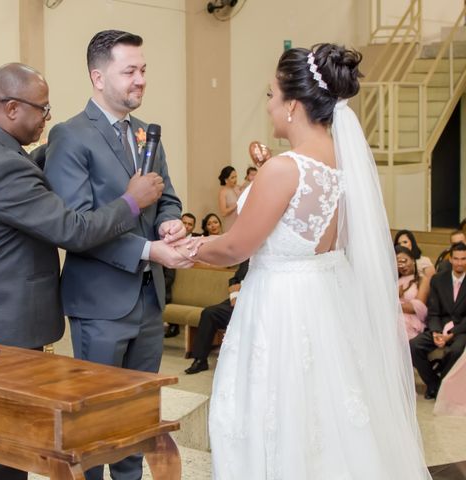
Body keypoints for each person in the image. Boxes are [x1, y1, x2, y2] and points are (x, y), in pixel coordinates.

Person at [183, 44, 431, 478]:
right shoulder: (343, 164)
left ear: (293, 105)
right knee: (328, 418)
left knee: (271, 416)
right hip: (327, 301)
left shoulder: (285, 169)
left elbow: (234, 247)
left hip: (281, 308)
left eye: (270, 96)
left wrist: (186, 247)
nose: (268, 105)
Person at [0, 63, 164, 480]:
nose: (48, 118)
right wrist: (131, 201)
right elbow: (73, 230)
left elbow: (23, 165)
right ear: (11, 108)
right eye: (42, 111)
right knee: (5, 445)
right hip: (3, 321)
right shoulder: (2, 169)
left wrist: (62, 143)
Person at [44, 30, 189, 480]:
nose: (140, 80)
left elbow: (167, 196)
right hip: (101, 303)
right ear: (98, 76)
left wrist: (170, 219)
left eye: (143, 70)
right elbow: (78, 226)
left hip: (148, 301)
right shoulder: (71, 136)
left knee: (135, 424)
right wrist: (151, 249)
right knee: (93, 426)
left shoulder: (148, 133)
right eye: (129, 71)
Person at [410, 242, 466, 400]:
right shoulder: (438, 280)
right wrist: (435, 331)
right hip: (439, 326)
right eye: (456, 258)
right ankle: (433, 384)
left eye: (463, 259)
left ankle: (442, 385)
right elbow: (433, 311)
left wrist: (452, 333)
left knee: (455, 350)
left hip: (461, 329)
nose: (460, 262)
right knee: (414, 346)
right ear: (450, 259)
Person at [185, 260, 249, 374]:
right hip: (236, 300)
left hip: (257, 303)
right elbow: (234, 280)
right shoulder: (248, 258)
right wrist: (234, 296)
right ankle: (200, 360)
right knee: (209, 313)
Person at [396, 245, 429, 339]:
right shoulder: (395, 283)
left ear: (413, 260)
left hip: (412, 322)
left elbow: (419, 306)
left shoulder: (422, 280)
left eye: (404, 261)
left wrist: (394, 306)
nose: (402, 266)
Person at [217, 166, 240, 232]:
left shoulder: (239, 188)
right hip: (230, 224)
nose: (235, 179)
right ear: (226, 180)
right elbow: (223, 212)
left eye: (236, 176)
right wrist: (235, 205)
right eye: (232, 178)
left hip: (241, 222)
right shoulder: (223, 192)